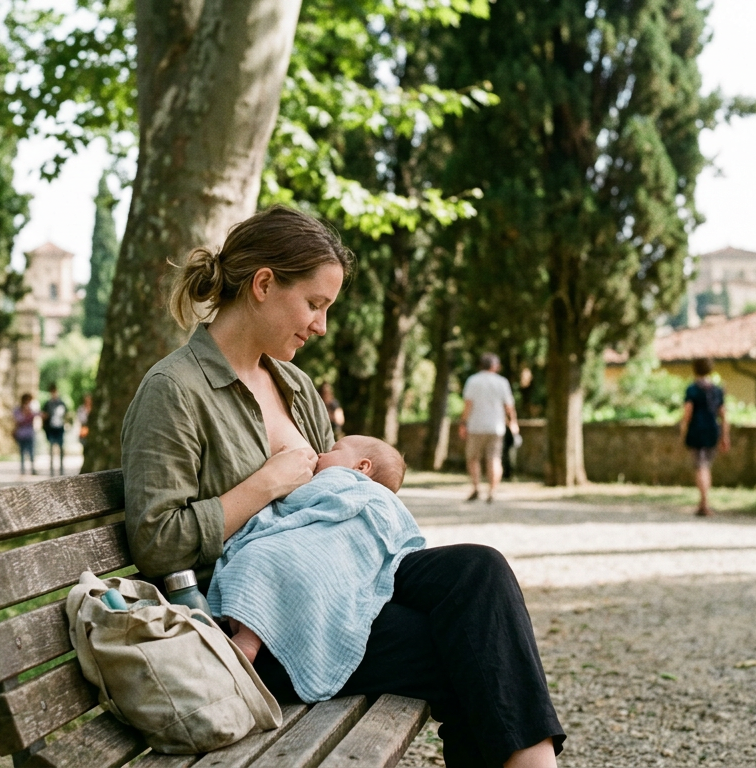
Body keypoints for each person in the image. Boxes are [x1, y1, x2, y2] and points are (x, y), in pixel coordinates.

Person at [121, 205, 563, 768]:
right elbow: (158, 542)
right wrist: (262, 485)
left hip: (338, 579)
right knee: (467, 651)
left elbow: (340, 504)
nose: (321, 326)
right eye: (315, 304)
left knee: (479, 571)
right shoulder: (175, 390)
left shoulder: (296, 386)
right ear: (263, 285)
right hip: (255, 621)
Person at [219, 435, 413, 672]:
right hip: (327, 569)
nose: (321, 454)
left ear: (362, 467)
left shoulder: (341, 480)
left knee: (262, 557)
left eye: (334, 449)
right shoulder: (372, 496)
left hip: (309, 552)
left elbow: (295, 501)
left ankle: (248, 637)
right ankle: (250, 638)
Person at [458, 353, 519, 503]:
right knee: (494, 459)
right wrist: (513, 422)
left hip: (476, 426)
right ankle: (492, 490)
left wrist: (463, 423)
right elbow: (509, 406)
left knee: (473, 458)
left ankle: (476, 487)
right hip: (496, 427)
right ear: (495, 366)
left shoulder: (473, 381)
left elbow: (468, 405)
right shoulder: (502, 382)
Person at [680, 357, 729, 516]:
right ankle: (704, 502)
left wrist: (683, 431)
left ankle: (704, 503)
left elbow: (687, 413)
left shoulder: (692, 390)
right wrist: (725, 436)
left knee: (701, 467)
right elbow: (723, 416)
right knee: (706, 465)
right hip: (712, 431)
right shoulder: (717, 390)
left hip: (697, 431)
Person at [42, 384, 68, 477]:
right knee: (51, 448)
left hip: (60, 428)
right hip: (51, 428)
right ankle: (52, 470)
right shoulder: (47, 404)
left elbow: (67, 415)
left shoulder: (62, 403)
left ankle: (61, 469)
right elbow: (44, 415)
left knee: (61, 449)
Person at [13, 393, 38, 476]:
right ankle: (23, 469)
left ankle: (32, 468)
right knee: (22, 452)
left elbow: (38, 414)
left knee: (31, 452)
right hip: (22, 434)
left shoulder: (31, 409)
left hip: (29, 433)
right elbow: (18, 420)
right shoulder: (18, 410)